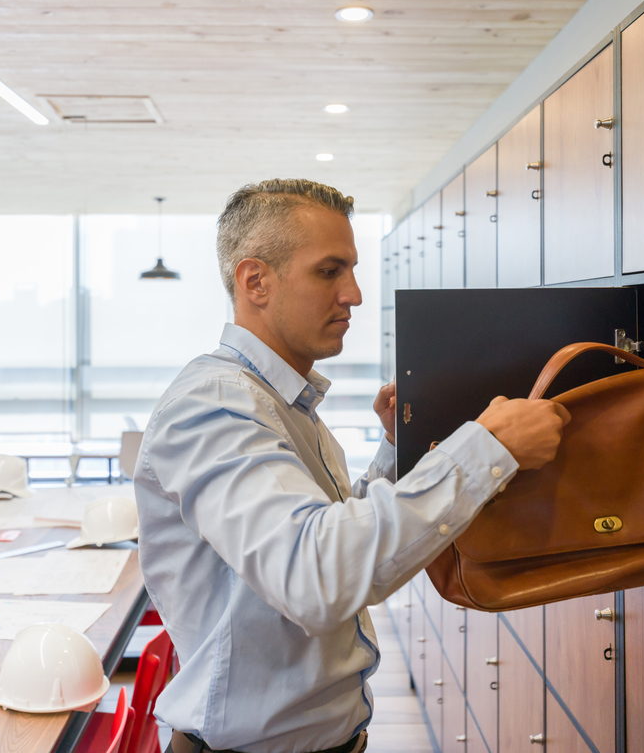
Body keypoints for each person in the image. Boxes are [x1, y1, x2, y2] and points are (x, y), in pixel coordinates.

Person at [135, 179, 570, 753]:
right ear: (255, 281)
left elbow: (335, 529)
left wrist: (395, 454)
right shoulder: (215, 404)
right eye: (329, 271)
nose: (356, 294)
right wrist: (489, 448)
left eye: (353, 270)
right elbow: (315, 573)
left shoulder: (278, 402)